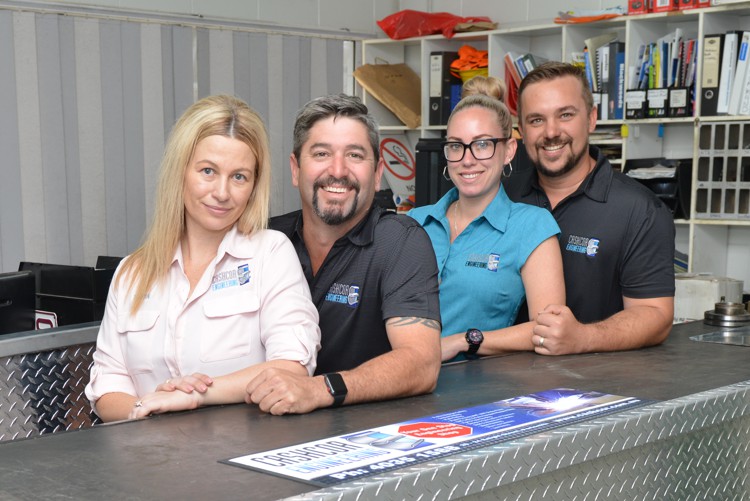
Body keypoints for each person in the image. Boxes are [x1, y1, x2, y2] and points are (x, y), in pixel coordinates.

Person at [85, 95, 321, 422]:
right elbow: (107, 386)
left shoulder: (270, 253)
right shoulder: (132, 273)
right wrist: (148, 411)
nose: (222, 193)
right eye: (208, 171)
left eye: (239, 177)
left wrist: (193, 395)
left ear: (254, 186)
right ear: (180, 172)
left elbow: (292, 366)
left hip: (247, 451)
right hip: (150, 451)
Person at [247, 94, 442, 414]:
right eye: (321, 153)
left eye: (354, 155)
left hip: (362, 433)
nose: (338, 170)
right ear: (295, 169)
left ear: (377, 173)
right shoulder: (264, 239)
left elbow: (422, 363)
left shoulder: (400, 242)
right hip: (258, 424)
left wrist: (319, 389)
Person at [503, 61, 675, 354]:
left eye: (565, 115)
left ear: (591, 119)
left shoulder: (639, 210)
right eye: (536, 120)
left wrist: (582, 338)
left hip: (596, 376)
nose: (551, 132)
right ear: (521, 130)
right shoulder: (502, 197)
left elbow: (655, 315)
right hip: (497, 373)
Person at [408, 94, 565, 361]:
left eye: (482, 144)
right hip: (398, 375)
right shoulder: (414, 221)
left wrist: (462, 341)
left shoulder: (532, 226)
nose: (467, 160)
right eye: (456, 146)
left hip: (473, 380)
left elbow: (550, 329)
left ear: (509, 151)